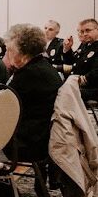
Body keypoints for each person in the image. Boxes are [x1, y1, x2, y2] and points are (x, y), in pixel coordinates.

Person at [6, 23, 64, 163]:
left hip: (27, 143)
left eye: (10, 50)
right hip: (42, 138)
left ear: (22, 52)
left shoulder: (28, 74)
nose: (8, 55)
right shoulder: (44, 67)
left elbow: (4, 107)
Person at [65, 18, 98, 100]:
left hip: (91, 88)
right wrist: (68, 49)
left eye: (87, 30)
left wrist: (76, 81)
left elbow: (96, 73)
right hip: (78, 86)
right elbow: (73, 64)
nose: (84, 34)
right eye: (81, 31)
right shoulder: (85, 45)